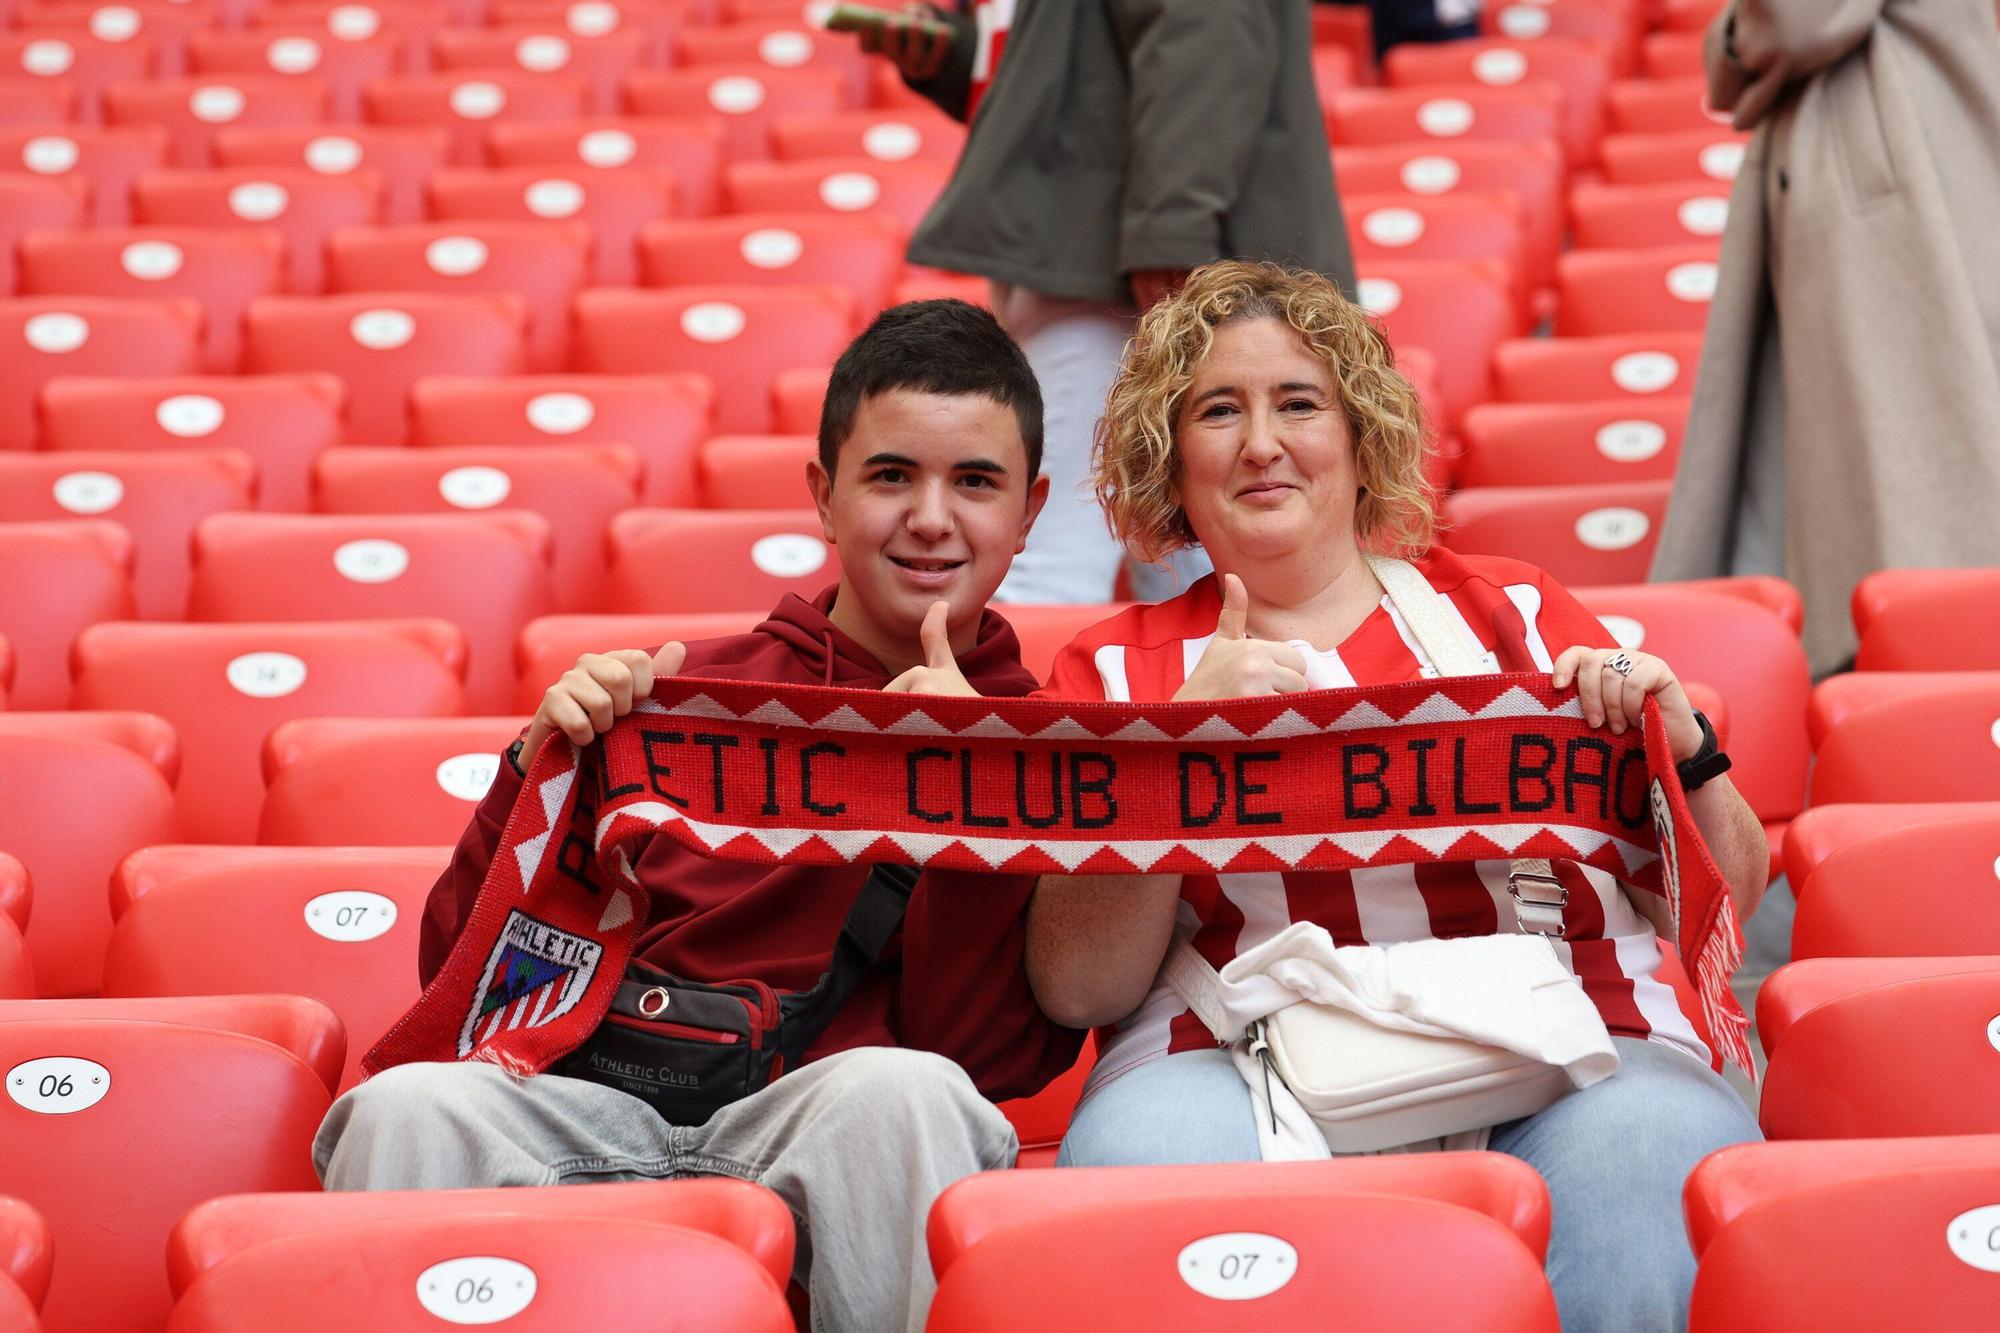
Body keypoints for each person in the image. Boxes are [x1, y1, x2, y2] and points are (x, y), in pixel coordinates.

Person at [1027, 261, 1769, 1331]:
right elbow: (1079, 987)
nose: (1261, 442)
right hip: (1229, 1059)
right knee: (1139, 1168)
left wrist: (1685, 753)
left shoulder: (1513, 609)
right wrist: (1171, 752)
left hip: (1564, 1033)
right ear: (1167, 457)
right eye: (1216, 411)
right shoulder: (1108, 675)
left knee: (1657, 1149)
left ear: (1359, 434)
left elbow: (1721, 909)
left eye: (1297, 404)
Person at [314, 300, 1078, 1333]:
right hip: (595, 1102)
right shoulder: (686, 694)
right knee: (400, 1109)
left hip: (822, 1117)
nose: (932, 517)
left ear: (1028, 512)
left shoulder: (1045, 751)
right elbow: (462, 981)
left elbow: (977, 1059)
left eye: (974, 482)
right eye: (891, 474)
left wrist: (957, 793)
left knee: (907, 1095)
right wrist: (532, 771)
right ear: (823, 494)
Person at [851, 0, 1353, 605]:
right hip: (1102, 246)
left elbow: (1204, 31)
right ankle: (1198, 698)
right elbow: (1072, 81)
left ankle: (1042, 703)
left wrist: (1170, 234)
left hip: (1126, 260)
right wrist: (953, 57)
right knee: (1184, 563)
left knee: (1058, 562)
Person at [1648, 0, 2000, 676]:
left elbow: (1796, 19)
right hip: (1900, 176)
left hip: (1890, 198)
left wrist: (1731, 39)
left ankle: (1923, 703)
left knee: (1914, 494)